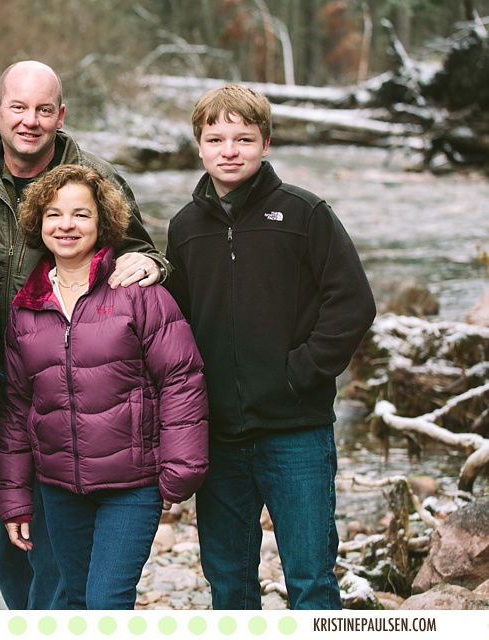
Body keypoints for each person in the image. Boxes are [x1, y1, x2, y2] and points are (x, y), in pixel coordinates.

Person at [164, 84, 377, 610]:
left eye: (244, 137)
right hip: (218, 437)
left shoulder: (305, 214)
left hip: (295, 430)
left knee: (311, 578)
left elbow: (352, 303)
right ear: (198, 146)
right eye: (216, 138)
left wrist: (299, 372)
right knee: (230, 584)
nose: (229, 150)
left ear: (266, 143)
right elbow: (176, 324)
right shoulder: (185, 228)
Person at [0, 59, 170, 610]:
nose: (29, 120)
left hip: (74, 392)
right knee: (11, 536)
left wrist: (152, 265)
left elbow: (143, 250)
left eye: (42, 110)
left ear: (60, 115)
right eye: (18, 107)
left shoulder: (97, 176)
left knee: (58, 551)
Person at [0, 164, 209, 610]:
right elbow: (17, 406)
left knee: (107, 602)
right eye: (53, 214)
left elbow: (181, 378)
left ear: (103, 222)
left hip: (133, 484)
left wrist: (179, 471)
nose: (66, 225)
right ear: (38, 223)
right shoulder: (26, 308)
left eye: (80, 215)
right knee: (74, 601)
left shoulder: (138, 291)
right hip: (59, 488)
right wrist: (14, 496)